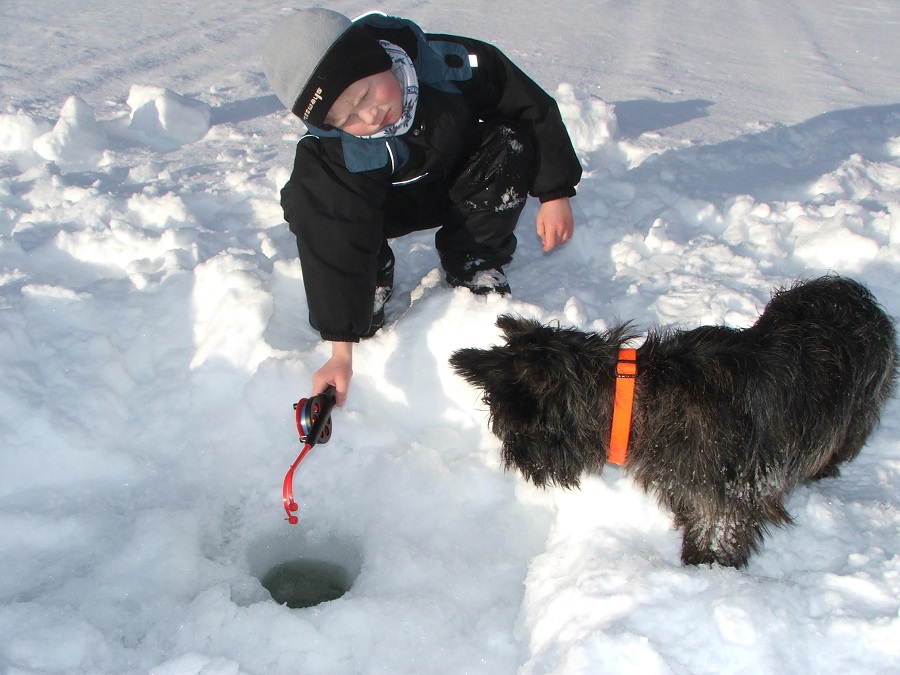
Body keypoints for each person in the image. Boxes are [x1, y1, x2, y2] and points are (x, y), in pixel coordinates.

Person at [263, 9, 582, 406]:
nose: (370, 115)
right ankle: (372, 278)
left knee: (508, 139)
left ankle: (475, 260)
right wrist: (340, 349)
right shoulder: (334, 150)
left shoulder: (448, 63)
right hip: (385, 206)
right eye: (347, 118)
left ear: (376, 58)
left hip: (464, 183)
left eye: (364, 95)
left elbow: (528, 106)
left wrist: (554, 192)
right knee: (308, 195)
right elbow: (335, 231)